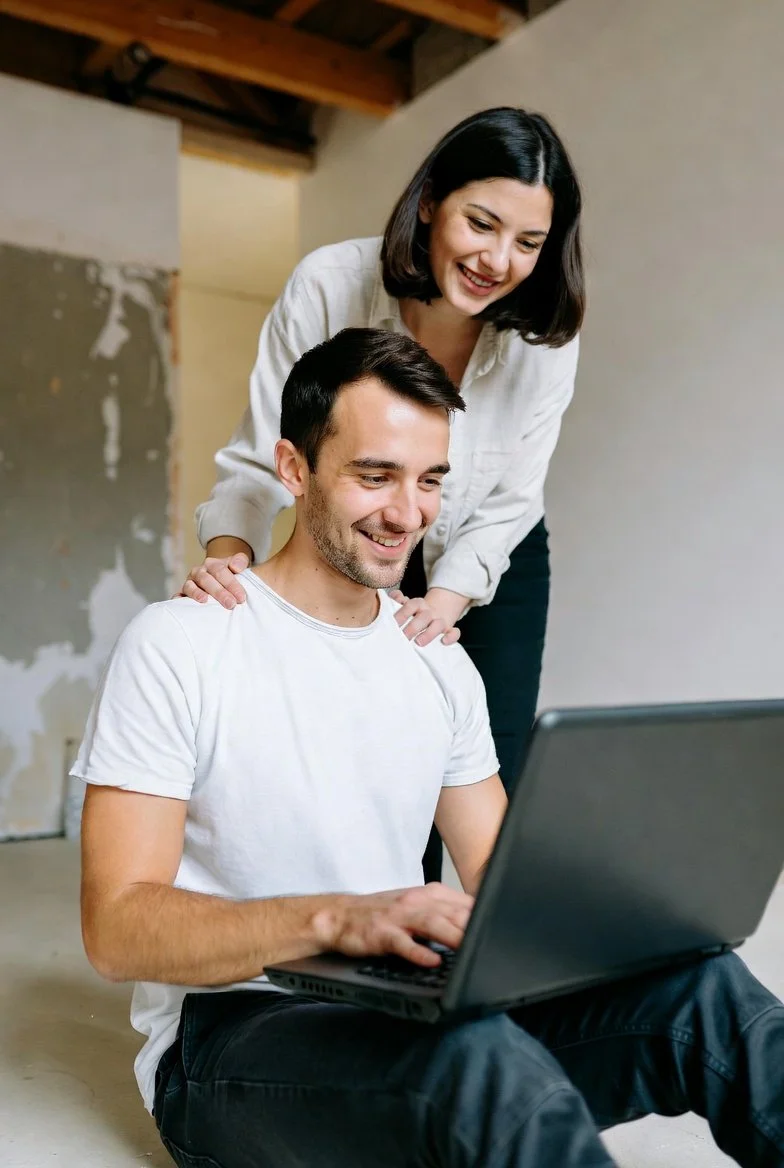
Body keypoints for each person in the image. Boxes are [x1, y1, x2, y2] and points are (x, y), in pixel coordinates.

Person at [77, 329, 784, 1168]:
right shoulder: (182, 643)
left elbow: (499, 888)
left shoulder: (438, 663)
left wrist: (637, 905)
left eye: (429, 480)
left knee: (707, 997)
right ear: (295, 469)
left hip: (411, 1012)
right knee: (476, 1065)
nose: (407, 513)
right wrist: (340, 918)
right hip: (233, 1039)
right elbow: (116, 929)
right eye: (375, 475)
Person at [181, 107, 585, 885]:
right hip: (358, 540)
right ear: (431, 198)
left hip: (487, 551)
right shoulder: (331, 283)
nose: (498, 259)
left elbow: (511, 499)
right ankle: (384, 938)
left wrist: (448, 604)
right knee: (377, 753)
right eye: (482, 223)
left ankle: (476, 966)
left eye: (529, 243)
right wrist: (226, 563)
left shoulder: (545, 339)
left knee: (485, 762)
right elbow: (267, 449)